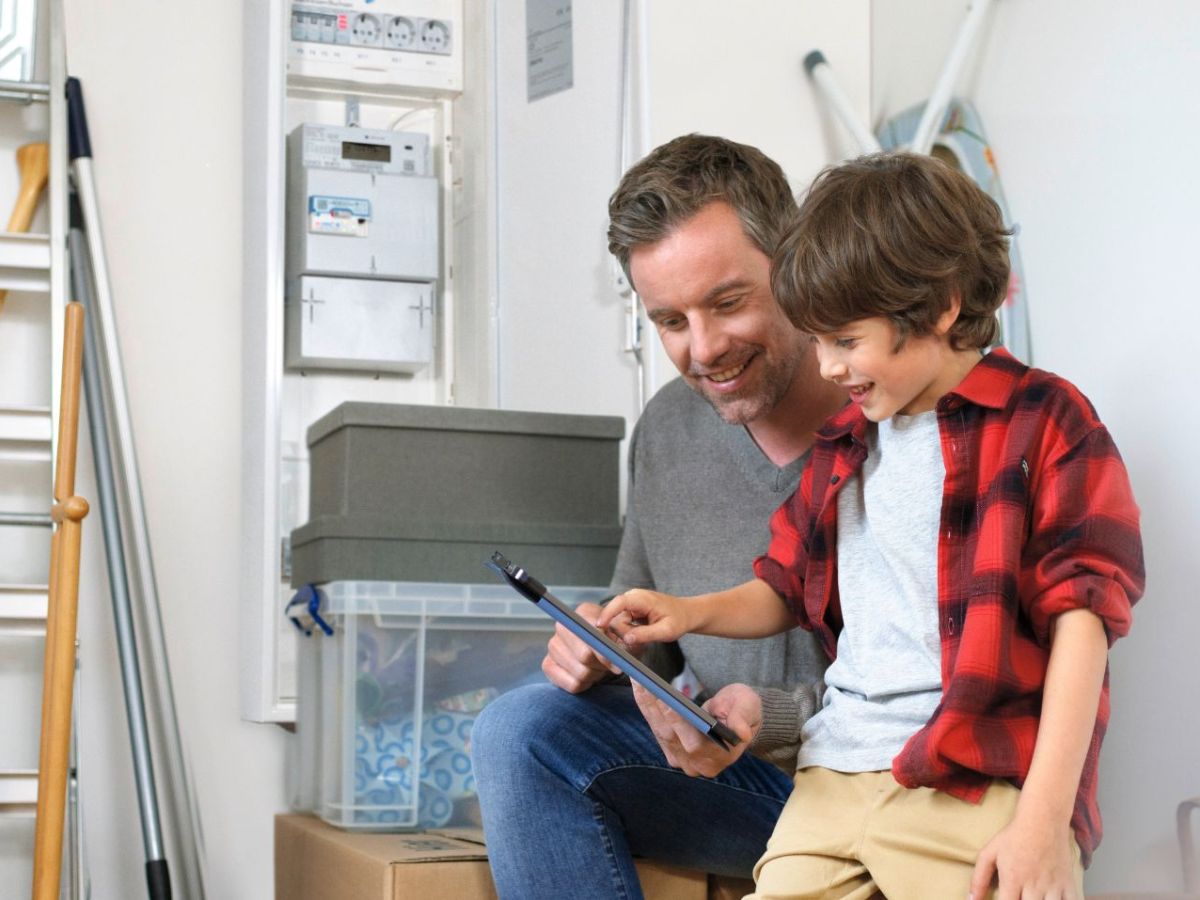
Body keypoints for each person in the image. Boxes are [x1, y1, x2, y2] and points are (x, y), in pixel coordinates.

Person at [598, 151, 1145, 899]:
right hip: (833, 776)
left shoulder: (1045, 422)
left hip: (972, 781)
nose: (827, 368)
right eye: (818, 340)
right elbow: (782, 588)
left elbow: (1083, 631)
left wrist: (1047, 822)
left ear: (941, 307)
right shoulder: (847, 444)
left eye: (845, 341)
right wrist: (686, 613)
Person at [470, 135, 847, 899]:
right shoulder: (670, 429)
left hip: (863, 786)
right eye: (671, 320)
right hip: (738, 785)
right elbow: (652, 630)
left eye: (729, 303)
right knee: (519, 731)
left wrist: (771, 716)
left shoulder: (886, 411)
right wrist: (607, 648)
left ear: (794, 262)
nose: (705, 349)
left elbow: (934, 689)